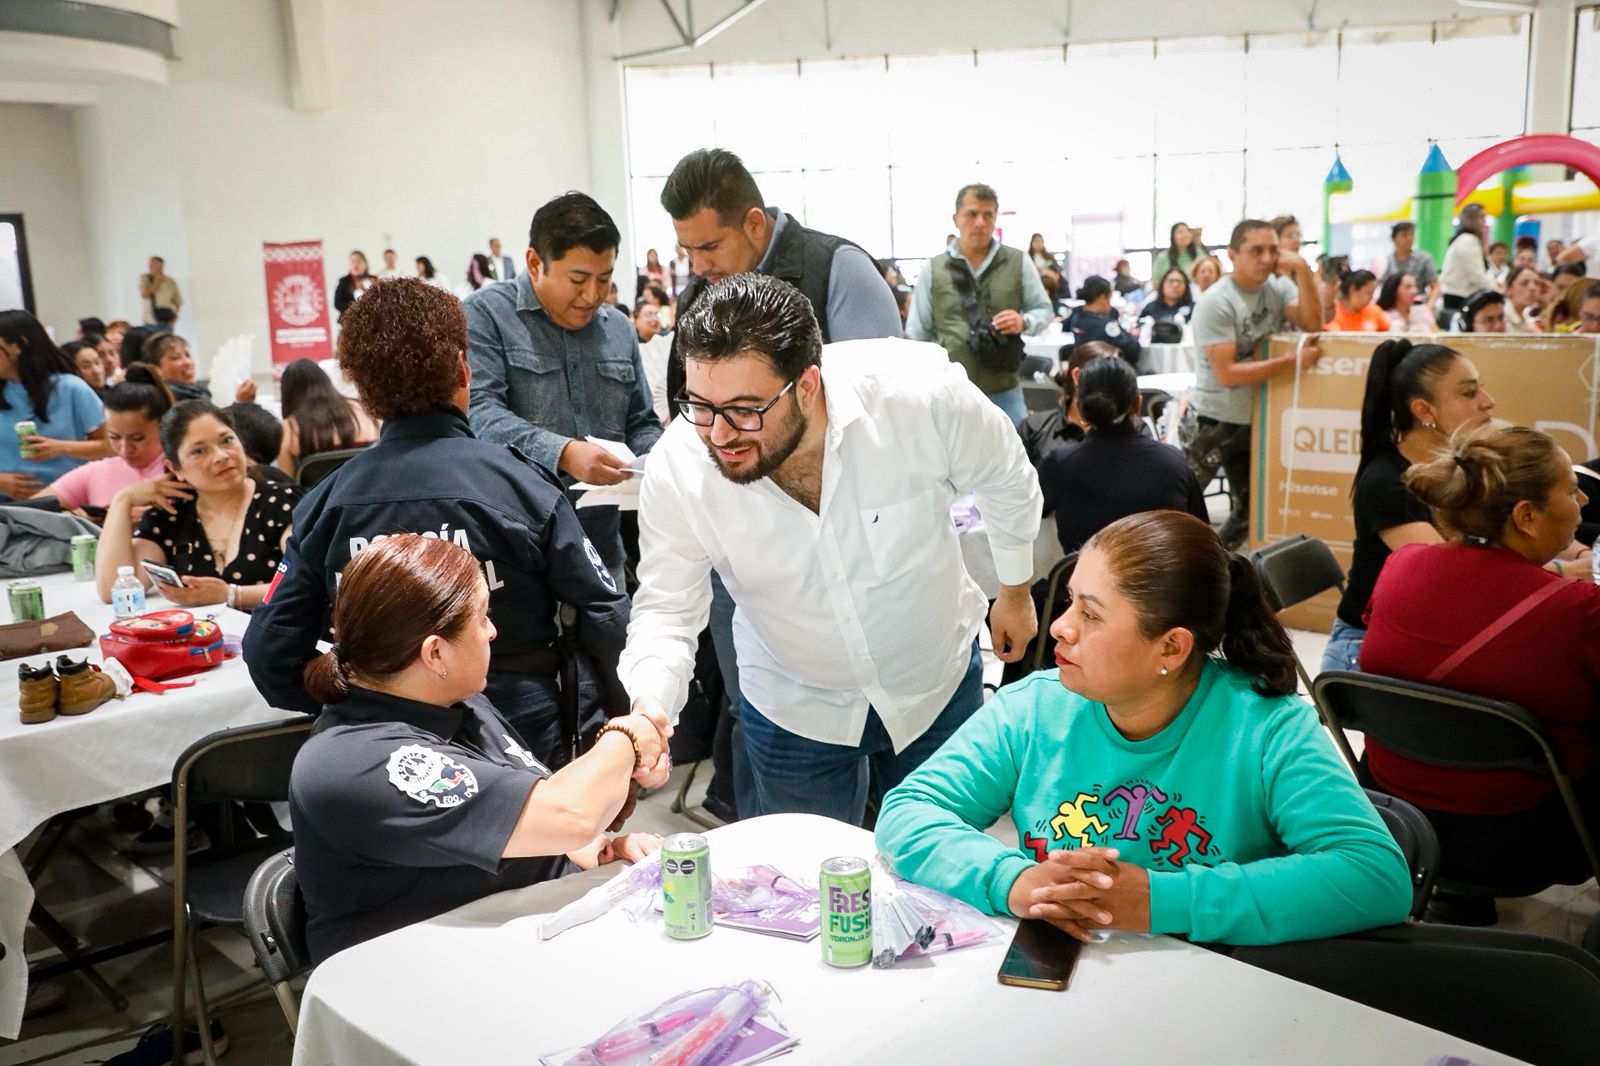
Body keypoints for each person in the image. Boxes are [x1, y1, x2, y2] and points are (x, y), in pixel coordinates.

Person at [876, 509, 1412, 946]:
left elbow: (1373, 875)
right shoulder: (1034, 709)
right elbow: (907, 812)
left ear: (1172, 647)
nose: (1060, 627)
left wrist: (1159, 900)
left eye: (1091, 615)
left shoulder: (1268, 728)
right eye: (1069, 604)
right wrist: (1012, 878)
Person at [619, 275, 1042, 826]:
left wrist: (1015, 588)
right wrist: (650, 705)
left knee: (938, 878)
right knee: (803, 890)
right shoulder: (681, 465)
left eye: (746, 409)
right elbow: (667, 607)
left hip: (931, 683)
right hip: (794, 702)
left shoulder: (918, 398)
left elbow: (1007, 478)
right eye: (701, 405)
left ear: (809, 385)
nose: (720, 434)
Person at [244, 277, 633, 764]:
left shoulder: (326, 505)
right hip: (522, 736)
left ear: (362, 390)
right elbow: (606, 616)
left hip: (381, 748)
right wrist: (622, 722)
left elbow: (269, 655)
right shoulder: (522, 487)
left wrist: (359, 699)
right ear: (462, 368)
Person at [287, 533, 667, 963]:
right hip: (422, 980)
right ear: (435, 653)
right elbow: (569, 814)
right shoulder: (352, 763)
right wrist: (629, 735)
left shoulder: (458, 702)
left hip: (515, 936)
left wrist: (596, 849)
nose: (492, 631)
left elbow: (529, 816)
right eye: (482, 617)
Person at [1360, 425, 1600, 924]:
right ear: (1526, 516)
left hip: (1396, 816)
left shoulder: (1403, 565)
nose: (1581, 498)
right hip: (1525, 838)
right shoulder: (1577, 611)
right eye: (1568, 489)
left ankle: (1458, 895)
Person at [465, 192, 662, 586]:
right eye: (578, 280)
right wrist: (564, 453)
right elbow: (479, 414)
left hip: (602, 553)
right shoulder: (485, 315)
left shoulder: (619, 329)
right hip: (516, 558)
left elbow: (640, 421)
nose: (592, 295)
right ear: (535, 263)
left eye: (604, 280)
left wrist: (658, 457)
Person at [664, 148, 902, 408]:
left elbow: (879, 403)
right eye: (688, 250)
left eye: (710, 247)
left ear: (754, 223)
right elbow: (686, 414)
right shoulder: (697, 297)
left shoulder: (840, 269)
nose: (698, 267)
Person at [1322, 339, 1496, 674]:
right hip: (1364, 645)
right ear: (1424, 411)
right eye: (1469, 393)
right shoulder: (1386, 482)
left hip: (1423, 631)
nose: (1488, 403)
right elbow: (1450, 576)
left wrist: (1577, 555)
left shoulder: (1464, 467)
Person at [1183, 219, 1323, 549]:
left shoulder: (1278, 288)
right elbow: (1227, 374)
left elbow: (1314, 322)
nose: (1266, 258)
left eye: (1273, 250)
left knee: (1249, 510)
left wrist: (1302, 269)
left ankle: (1216, 568)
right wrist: (1291, 363)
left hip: (1255, 420)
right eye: (1255, 250)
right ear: (1233, 255)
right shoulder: (1217, 301)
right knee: (1181, 506)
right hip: (1212, 422)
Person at [94, 400, 300, 609]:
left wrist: (232, 595)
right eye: (199, 451)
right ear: (175, 468)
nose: (221, 456)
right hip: (209, 637)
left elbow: (305, 582)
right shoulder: (171, 516)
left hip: (286, 636)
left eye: (226, 440)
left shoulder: (282, 502)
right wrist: (123, 500)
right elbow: (115, 589)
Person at [906, 183, 1054, 424]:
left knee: (1015, 455)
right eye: (972, 214)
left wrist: (1023, 321)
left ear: (996, 218)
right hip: (948, 392)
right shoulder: (933, 269)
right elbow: (917, 331)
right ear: (956, 218)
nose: (980, 222)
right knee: (951, 460)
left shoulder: (1018, 262)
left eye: (988, 215)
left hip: (1004, 389)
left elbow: (1043, 310)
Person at [1038, 355, 1207, 556]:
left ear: (1081, 409)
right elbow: (1202, 532)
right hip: (1159, 582)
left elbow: (1029, 514)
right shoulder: (1172, 461)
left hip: (1086, 583)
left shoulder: (1060, 464)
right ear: (1137, 404)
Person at [32, 365, 171, 513]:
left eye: (137, 438)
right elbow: (24, 512)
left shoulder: (182, 470)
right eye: (114, 437)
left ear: (163, 427)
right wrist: (73, 517)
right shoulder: (96, 472)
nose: (125, 449)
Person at [0, 310, 108, 498]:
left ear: (20, 345)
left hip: (67, 506)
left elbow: (111, 446)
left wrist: (61, 447)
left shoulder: (70, 388)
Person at [275, 358, 379, 477]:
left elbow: (286, 479)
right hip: (367, 488)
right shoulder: (362, 409)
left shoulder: (289, 427)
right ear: (325, 380)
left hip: (319, 494)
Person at [139, 332, 256, 404]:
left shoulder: (200, 390)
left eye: (188, 355)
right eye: (175, 358)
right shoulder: (167, 400)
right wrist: (241, 404)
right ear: (156, 369)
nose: (188, 362)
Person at [1062, 276, 1141, 366]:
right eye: (1110, 297)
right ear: (1102, 297)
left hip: (1081, 366)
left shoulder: (1076, 314)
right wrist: (1134, 335)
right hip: (1105, 369)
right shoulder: (1105, 325)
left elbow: (1064, 328)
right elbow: (1133, 349)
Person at [1440, 204, 1495, 317]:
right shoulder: (1467, 241)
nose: (1484, 221)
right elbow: (1477, 276)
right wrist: (1497, 291)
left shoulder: (1468, 240)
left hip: (1460, 297)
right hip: (1459, 300)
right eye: (1481, 217)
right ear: (1470, 218)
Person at [633, 300, 671, 424]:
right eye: (649, 315)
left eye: (657, 314)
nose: (654, 319)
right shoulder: (632, 349)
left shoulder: (669, 344)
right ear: (635, 321)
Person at [1325, 270, 1390, 332]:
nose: (1371, 297)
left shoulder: (1374, 310)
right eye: (1369, 293)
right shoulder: (1333, 313)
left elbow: (1389, 331)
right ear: (1353, 289)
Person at [1384, 221, 1439, 295]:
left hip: (1418, 303)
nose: (1409, 238)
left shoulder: (1423, 258)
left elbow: (1435, 286)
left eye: (1412, 234)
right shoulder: (1386, 261)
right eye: (1404, 235)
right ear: (1394, 239)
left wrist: (1429, 306)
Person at [138, 256, 182, 325]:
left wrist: (174, 319)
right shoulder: (145, 278)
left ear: (161, 266)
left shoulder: (170, 281)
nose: (150, 267)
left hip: (166, 320)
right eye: (150, 265)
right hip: (149, 320)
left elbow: (177, 302)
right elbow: (145, 295)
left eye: (154, 265)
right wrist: (156, 282)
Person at [333, 251, 375, 319]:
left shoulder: (373, 279)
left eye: (358, 261)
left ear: (365, 263)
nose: (356, 264)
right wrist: (356, 306)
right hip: (350, 319)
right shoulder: (344, 281)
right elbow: (337, 304)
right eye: (353, 261)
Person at [1502, 265, 1544, 332]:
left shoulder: (1527, 318)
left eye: (1537, 283)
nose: (1532, 288)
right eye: (1524, 283)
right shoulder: (1501, 317)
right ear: (1508, 289)